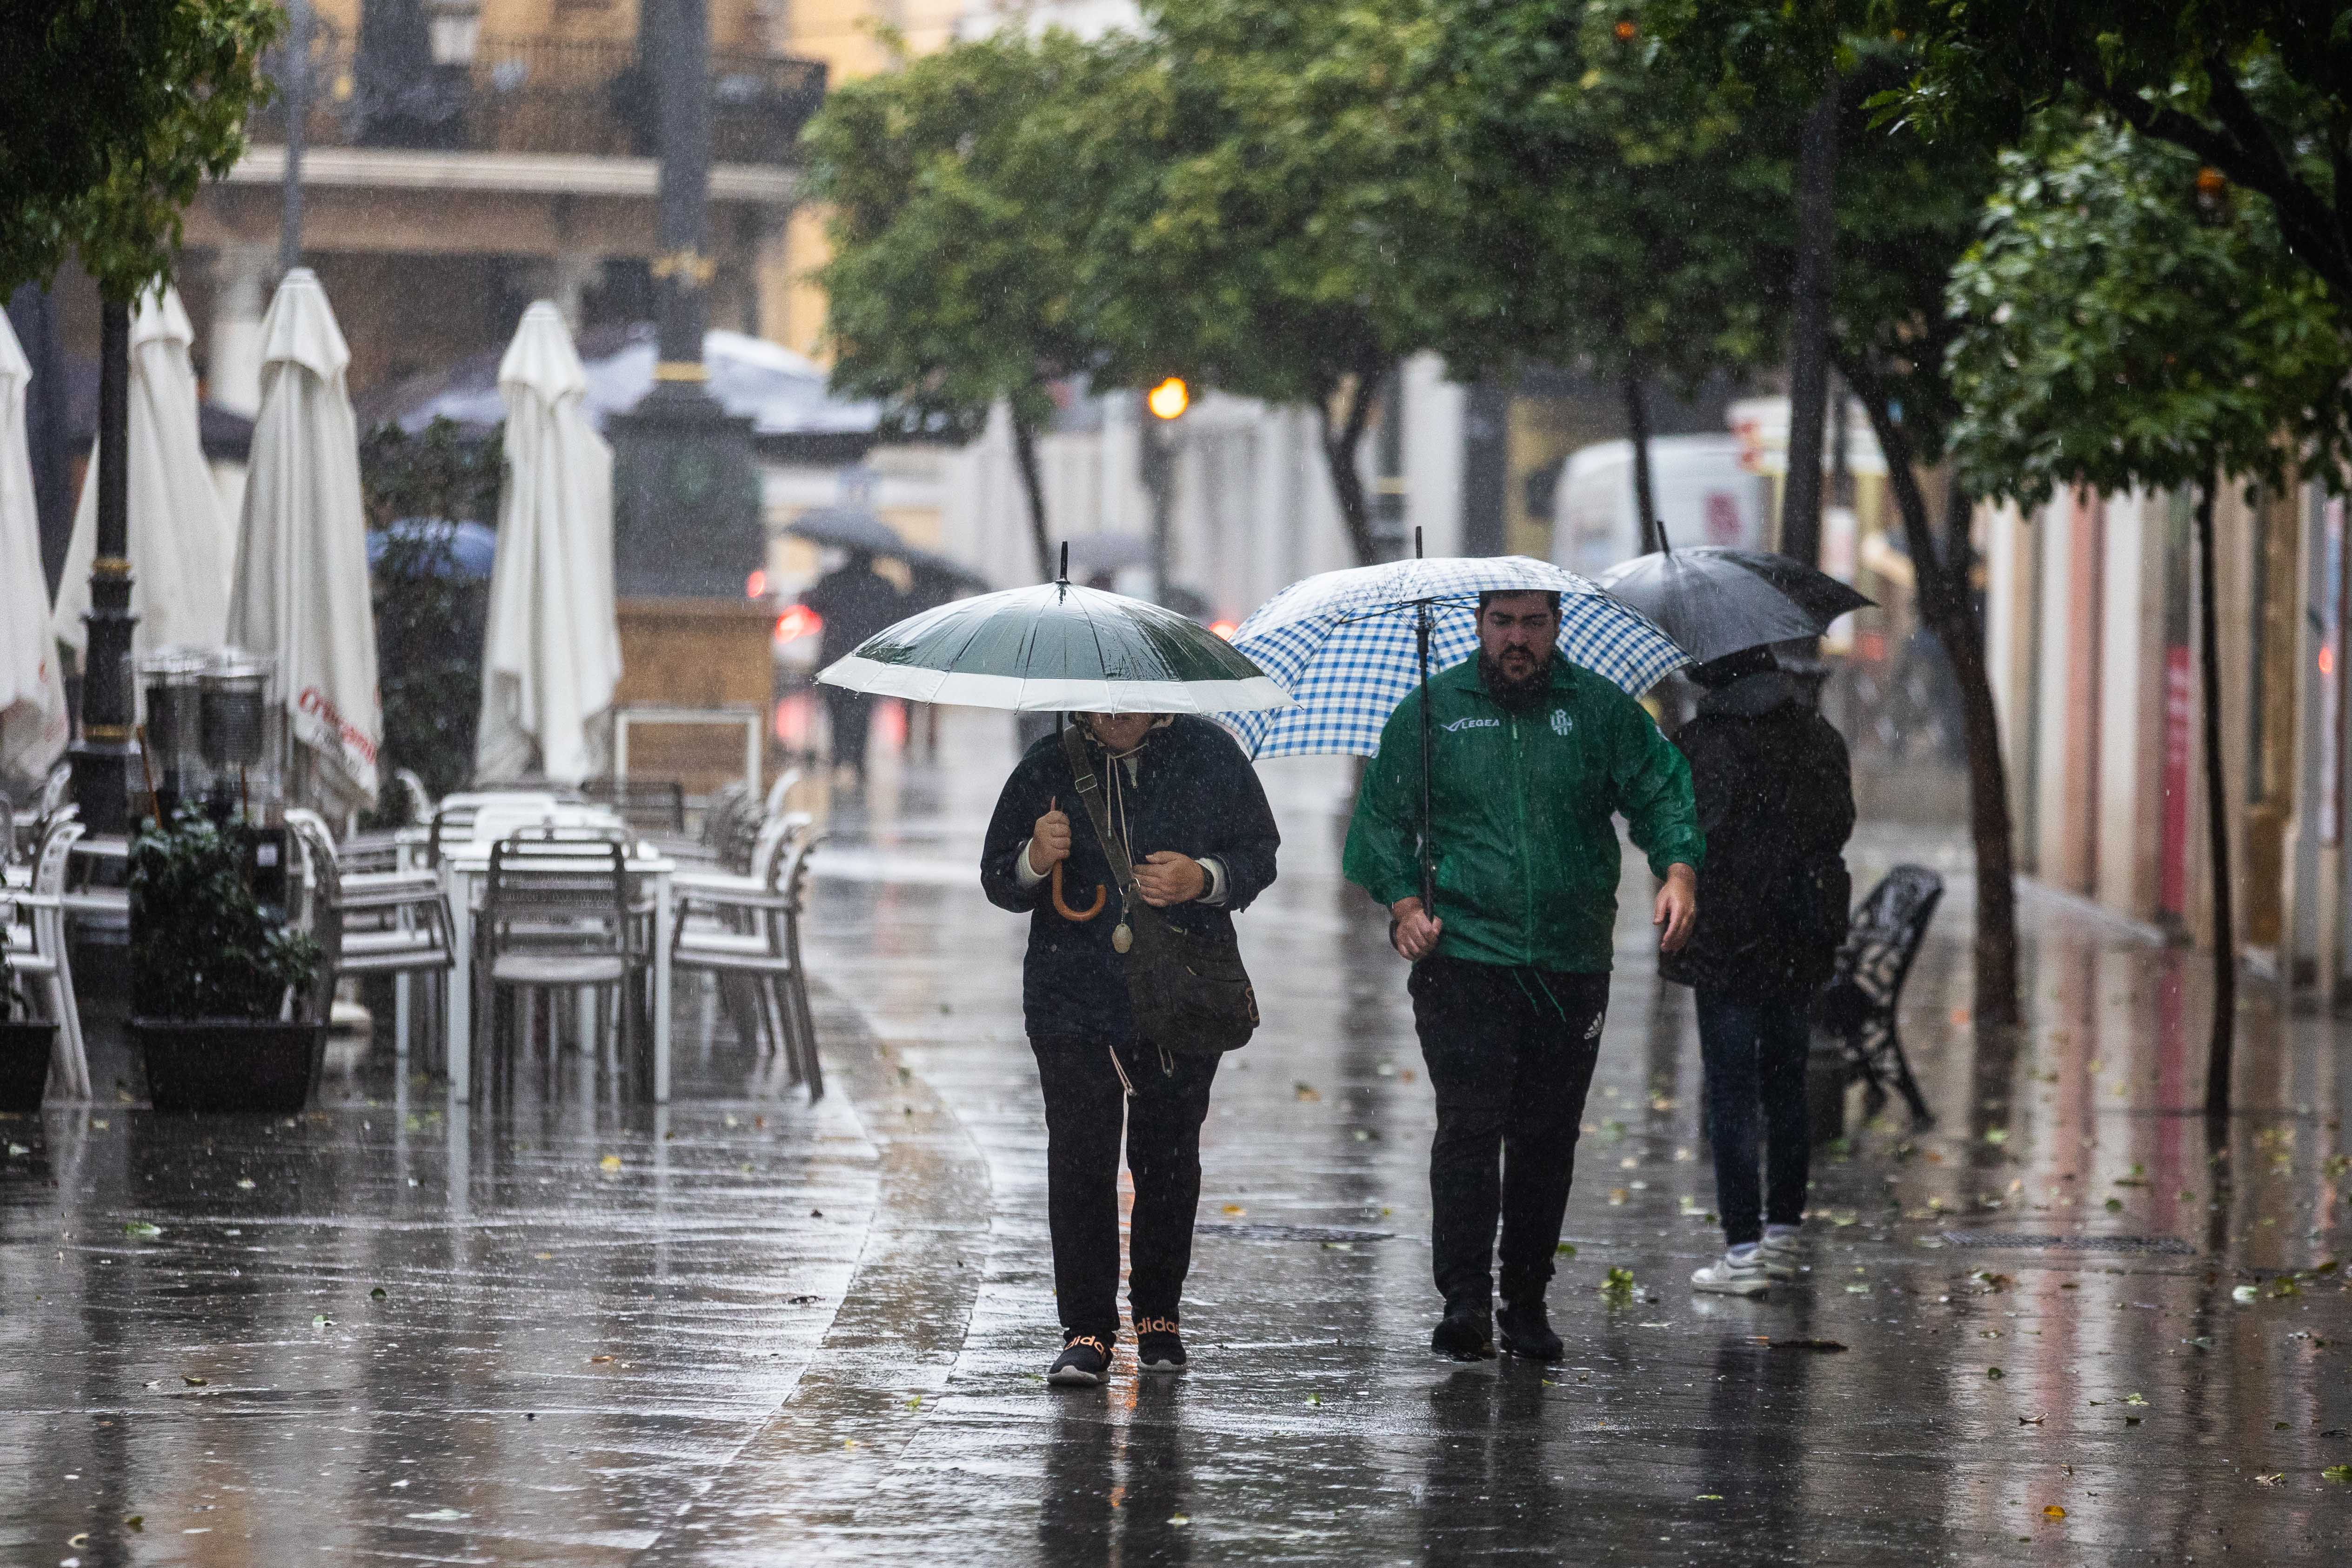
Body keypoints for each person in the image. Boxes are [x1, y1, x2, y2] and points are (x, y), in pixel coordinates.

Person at [1343, 590, 1702, 1362]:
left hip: (1571, 962)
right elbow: (1378, 823)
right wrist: (1405, 903)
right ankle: (1465, 1301)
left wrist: (1678, 870)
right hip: (1463, 959)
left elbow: (1660, 788)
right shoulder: (1430, 713)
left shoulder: (1600, 711)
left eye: (1532, 624)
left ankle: (1527, 1300)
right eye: (1502, 622)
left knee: (1546, 1138)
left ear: (1555, 628)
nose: (1516, 639)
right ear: (1478, 626)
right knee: (1469, 1130)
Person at [982, 711, 1280, 1387]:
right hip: (1070, 997)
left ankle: (1159, 1315)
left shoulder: (1208, 753)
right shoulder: (1045, 765)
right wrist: (1034, 858)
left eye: (1130, 695)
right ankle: (1086, 1328)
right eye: (1102, 698)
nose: (1115, 712)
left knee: (1168, 1155)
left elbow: (1258, 854)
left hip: (1180, 993)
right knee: (1081, 1158)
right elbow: (998, 877)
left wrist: (1201, 877)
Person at [1659, 646, 1855, 1297]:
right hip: (1799, 934)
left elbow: (1685, 830)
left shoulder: (1703, 742)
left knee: (1732, 1092)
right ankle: (1781, 1232)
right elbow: (1839, 823)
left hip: (1728, 938)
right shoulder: (1818, 733)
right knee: (1785, 1087)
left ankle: (1741, 1249)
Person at [800, 549, 906, 784]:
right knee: (862, 711)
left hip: (835, 657)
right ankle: (857, 760)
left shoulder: (833, 581)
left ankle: (840, 758)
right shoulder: (883, 586)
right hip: (868, 659)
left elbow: (811, 604)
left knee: (836, 710)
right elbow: (896, 615)